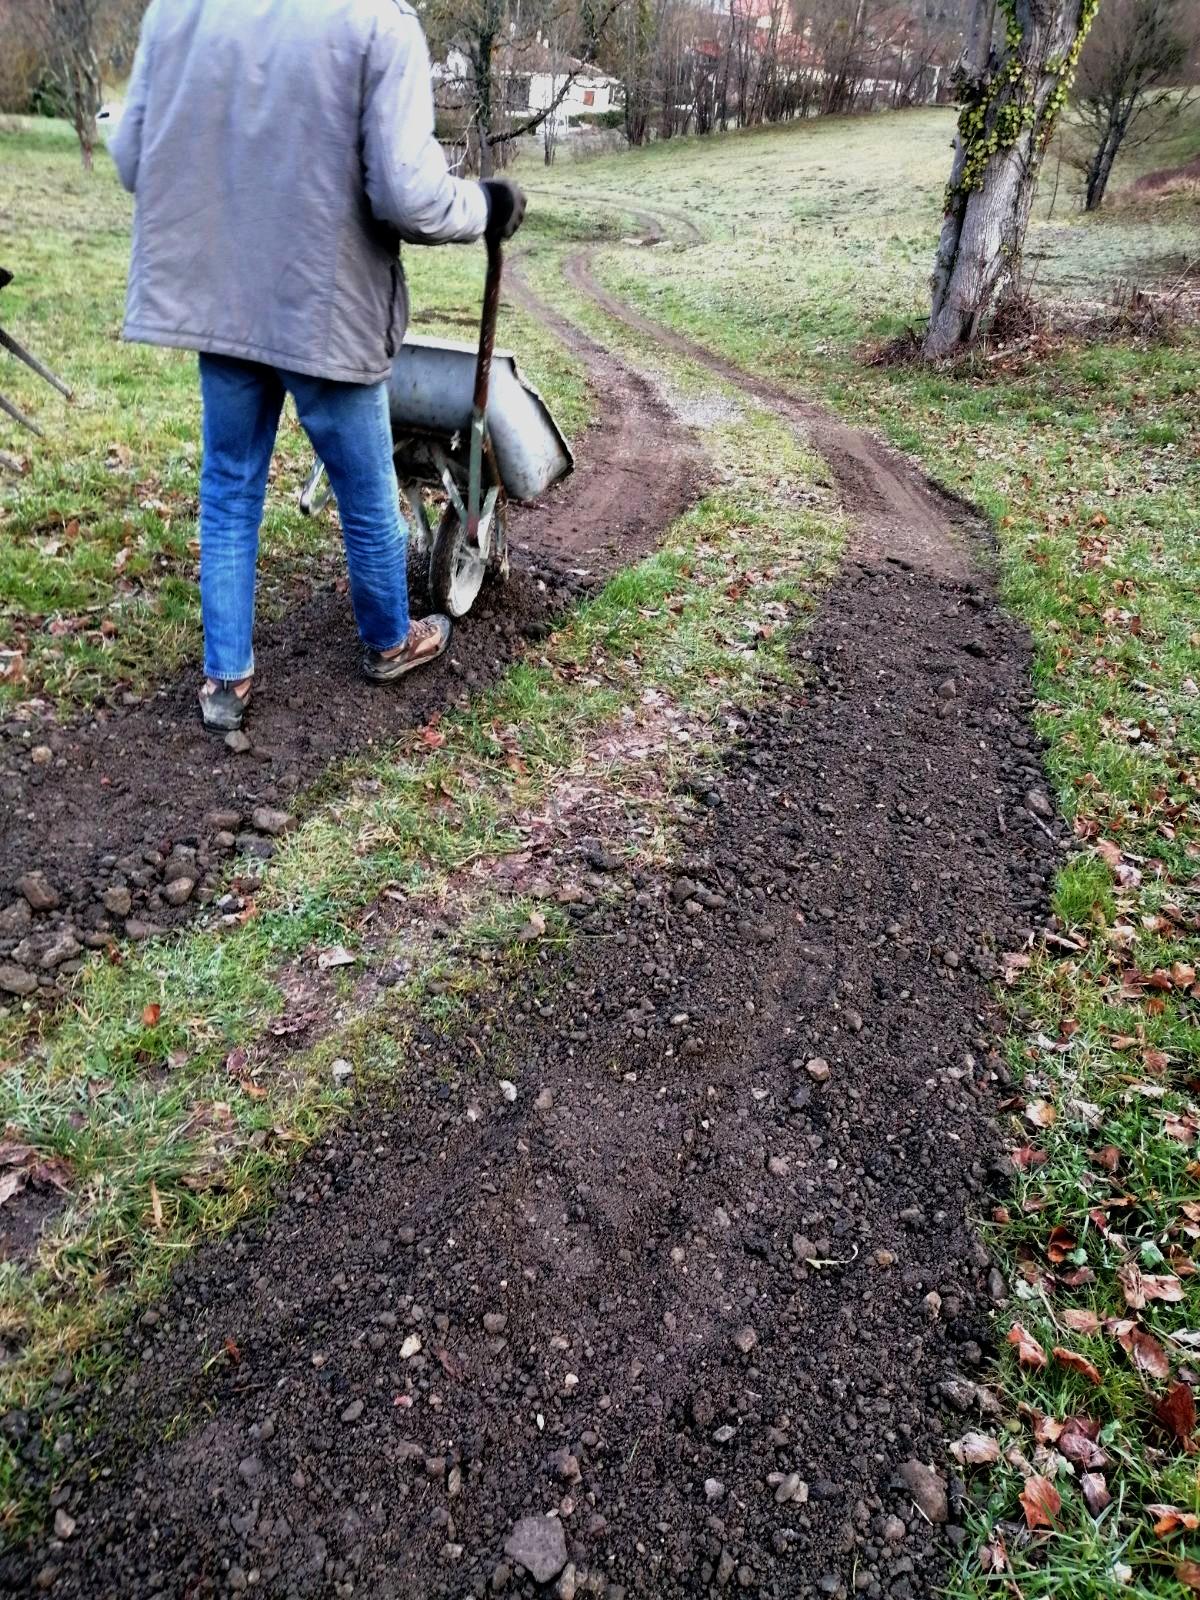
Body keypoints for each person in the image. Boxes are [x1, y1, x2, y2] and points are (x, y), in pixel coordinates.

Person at [110, 0, 526, 733]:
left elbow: (130, 157)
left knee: (230, 486)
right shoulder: (376, 22)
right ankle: (389, 641)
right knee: (365, 488)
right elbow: (407, 195)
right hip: (323, 300)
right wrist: (486, 205)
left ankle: (225, 681)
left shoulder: (179, 12)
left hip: (227, 302)